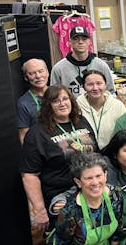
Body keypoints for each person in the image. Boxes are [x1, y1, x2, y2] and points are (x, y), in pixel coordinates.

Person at [20, 84, 98, 231]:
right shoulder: (37, 133)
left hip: (90, 191)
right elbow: (29, 175)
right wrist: (40, 210)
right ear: (48, 106)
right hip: (60, 199)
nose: (62, 104)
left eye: (65, 99)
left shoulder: (81, 121)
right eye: (56, 101)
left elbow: (96, 154)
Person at [50, 26, 115, 97]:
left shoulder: (101, 65)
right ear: (69, 42)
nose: (80, 42)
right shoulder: (59, 68)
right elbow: (53, 96)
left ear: (89, 41)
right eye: (76, 39)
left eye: (84, 39)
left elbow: (111, 92)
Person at [76, 70, 126, 149]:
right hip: (85, 153)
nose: (95, 88)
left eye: (99, 83)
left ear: (105, 85)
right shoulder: (76, 107)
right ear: (84, 87)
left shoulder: (118, 106)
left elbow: (125, 133)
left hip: (112, 152)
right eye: (90, 84)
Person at [17, 58, 49, 144]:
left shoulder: (59, 94)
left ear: (47, 72)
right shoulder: (23, 103)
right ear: (26, 77)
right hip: (41, 146)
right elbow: (23, 135)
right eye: (32, 73)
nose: (38, 76)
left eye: (41, 71)